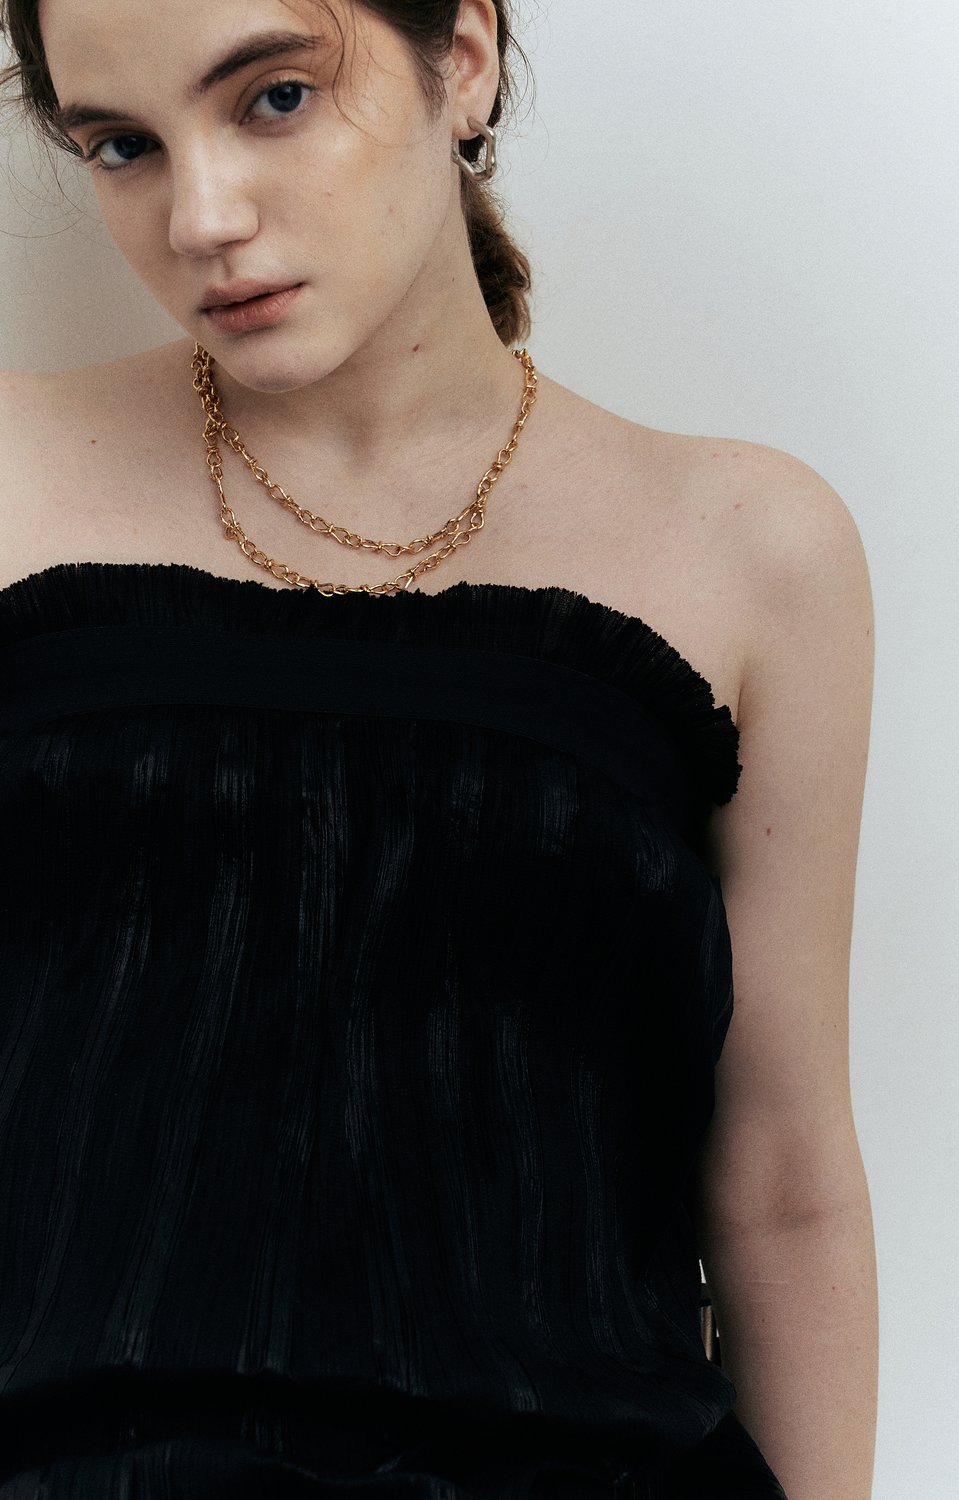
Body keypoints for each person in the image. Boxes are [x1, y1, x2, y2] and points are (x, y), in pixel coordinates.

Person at [0, 1, 878, 1495]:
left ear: (462, 58)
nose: (201, 218)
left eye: (275, 97)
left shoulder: (749, 547)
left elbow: (783, 1183)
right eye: (124, 145)